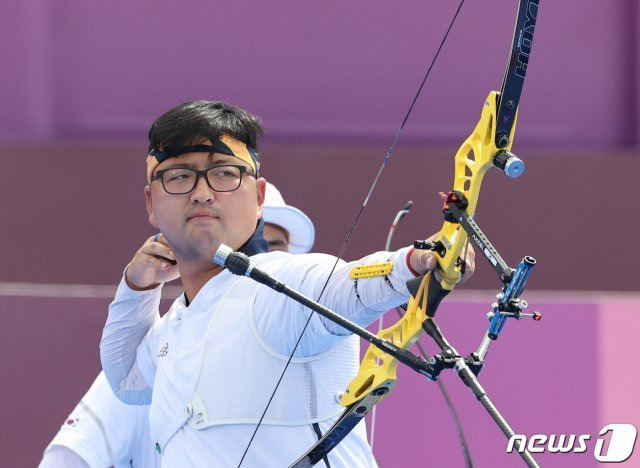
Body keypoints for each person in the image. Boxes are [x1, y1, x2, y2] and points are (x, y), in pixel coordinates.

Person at [99, 100, 474, 467]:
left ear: (260, 197)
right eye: (179, 176)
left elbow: (345, 285)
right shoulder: (175, 328)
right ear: (151, 203)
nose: (202, 192)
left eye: (225, 173)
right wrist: (136, 287)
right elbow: (126, 379)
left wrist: (415, 261)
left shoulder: (279, 285)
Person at [39, 181, 315, 468]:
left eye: (275, 248)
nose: (262, 260)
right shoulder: (150, 364)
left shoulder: (319, 362)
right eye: (247, 246)